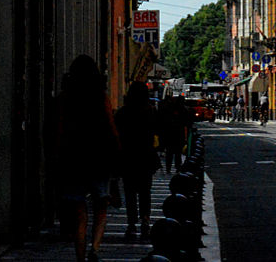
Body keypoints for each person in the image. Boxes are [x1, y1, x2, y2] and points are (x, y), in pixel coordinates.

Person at [57, 55, 121, 262]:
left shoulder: (65, 99)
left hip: (74, 160)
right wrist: (117, 153)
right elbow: (112, 129)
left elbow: (59, 130)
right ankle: (95, 248)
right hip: (99, 159)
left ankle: (80, 256)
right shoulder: (100, 97)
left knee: (79, 213)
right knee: (101, 207)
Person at [114, 82, 160, 241]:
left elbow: (117, 134)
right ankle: (145, 219)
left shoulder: (122, 112)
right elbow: (157, 130)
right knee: (145, 190)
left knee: (130, 191)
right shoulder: (150, 111)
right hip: (146, 155)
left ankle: (132, 223)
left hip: (128, 156)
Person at [159, 95, 190, 174]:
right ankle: (177, 167)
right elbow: (187, 124)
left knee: (170, 153)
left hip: (170, 134)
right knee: (177, 153)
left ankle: (168, 168)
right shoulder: (184, 110)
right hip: (179, 134)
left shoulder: (169, 109)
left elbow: (164, 121)